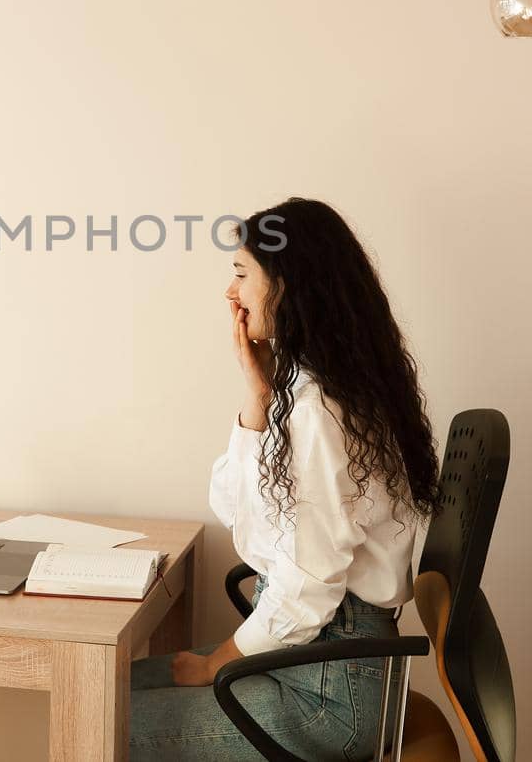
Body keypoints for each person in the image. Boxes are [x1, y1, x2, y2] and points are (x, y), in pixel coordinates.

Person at [128, 198, 441, 762]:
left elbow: (310, 583)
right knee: (113, 683)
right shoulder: (306, 391)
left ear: (289, 287)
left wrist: (217, 660)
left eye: (242, 273)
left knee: (101, 718)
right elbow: (230, 505)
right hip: (319, 661)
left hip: (329, 696)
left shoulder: (319, 411)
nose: (231, 293)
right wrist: (257, 399)